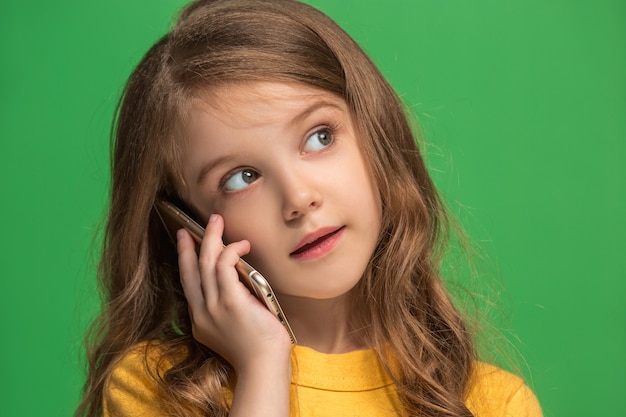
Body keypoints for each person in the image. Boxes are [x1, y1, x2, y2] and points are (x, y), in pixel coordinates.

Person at [76, 0, 542, 416]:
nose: (299, 199)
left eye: (319, 137)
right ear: (188, 224)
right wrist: (262, 367)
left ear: (376, 134)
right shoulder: (155, 390)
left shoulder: (492, 403)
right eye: (242, 177)